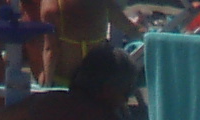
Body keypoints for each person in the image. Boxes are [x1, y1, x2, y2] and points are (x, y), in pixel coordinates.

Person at [37, 0, 135, 88]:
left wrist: (46, 84)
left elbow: (50, 49)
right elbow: (130, 29)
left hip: (64, 82)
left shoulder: (52, 3)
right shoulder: (103, 0)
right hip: (96, 83)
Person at [9, 46, 139, 120]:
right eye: (127, 92)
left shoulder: (48, 101)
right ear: (107, 89)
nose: (126, 100)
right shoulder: (105, 115)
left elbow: (2, 115)